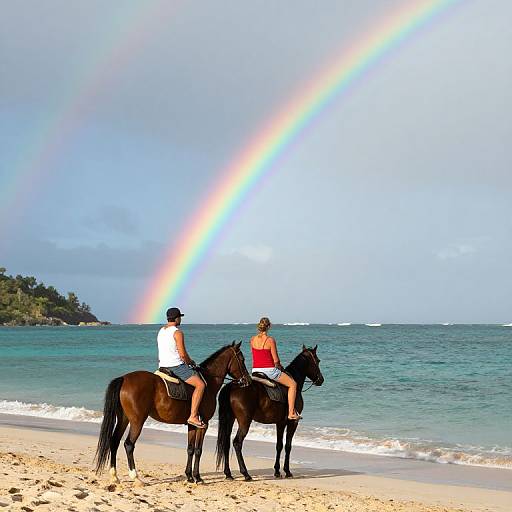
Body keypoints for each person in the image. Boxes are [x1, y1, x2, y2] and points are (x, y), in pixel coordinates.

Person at [157, 307, 206, 428]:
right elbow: (183, 354)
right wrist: (191, 362)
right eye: (180, 317)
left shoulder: (161, 330)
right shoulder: (177, 332)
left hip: (162, 366)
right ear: (177, 318)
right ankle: (193, 416)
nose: (181, 320)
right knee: (201, 385)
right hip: (176, 366)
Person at [250, 317, 301, 421]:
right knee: (293, 384)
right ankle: (291, 412)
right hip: (269, 371)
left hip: (255, 370)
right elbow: (276, 361)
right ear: (268, 326)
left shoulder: (252, 339)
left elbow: (256, 356)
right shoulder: (270, 340)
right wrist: (280, 367)